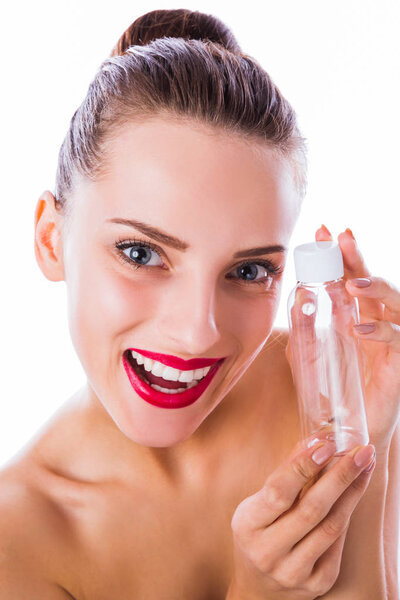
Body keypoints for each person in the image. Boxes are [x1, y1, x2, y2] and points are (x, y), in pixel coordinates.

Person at [0, 8, 399, 599]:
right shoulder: (18, 540)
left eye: (247, 270)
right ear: (50, 240)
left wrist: (366, 443)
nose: (197, 332)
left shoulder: (330, 398)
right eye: (140, 253)